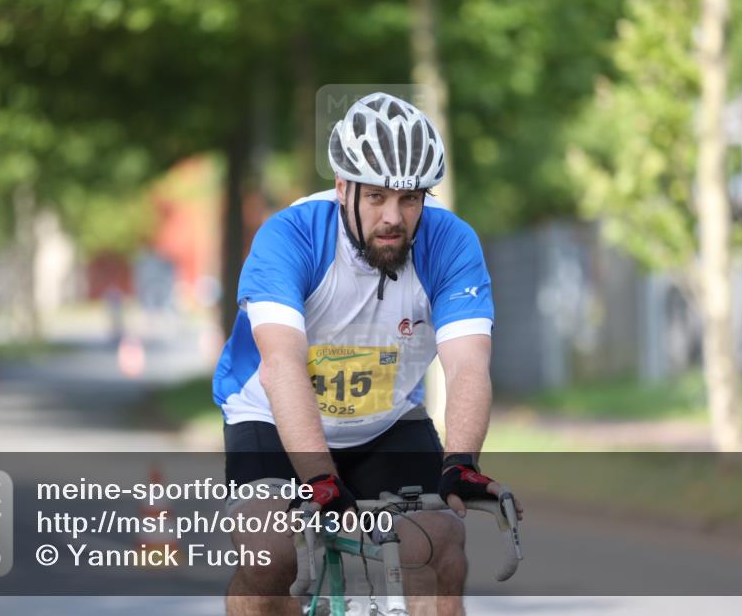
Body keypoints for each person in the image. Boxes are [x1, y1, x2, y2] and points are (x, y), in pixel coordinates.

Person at [213, 92, 522, 615]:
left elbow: (468, 362)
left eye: (409, 199)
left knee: (442, 545)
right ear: (342, 188)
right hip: (271, 417)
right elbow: (282, 365)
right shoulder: (289, 237)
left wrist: (462, 460)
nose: (393, 217)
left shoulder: (450, 243)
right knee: (271, 558)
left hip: (384, 421)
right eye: (376, 196)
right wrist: (320, 479)